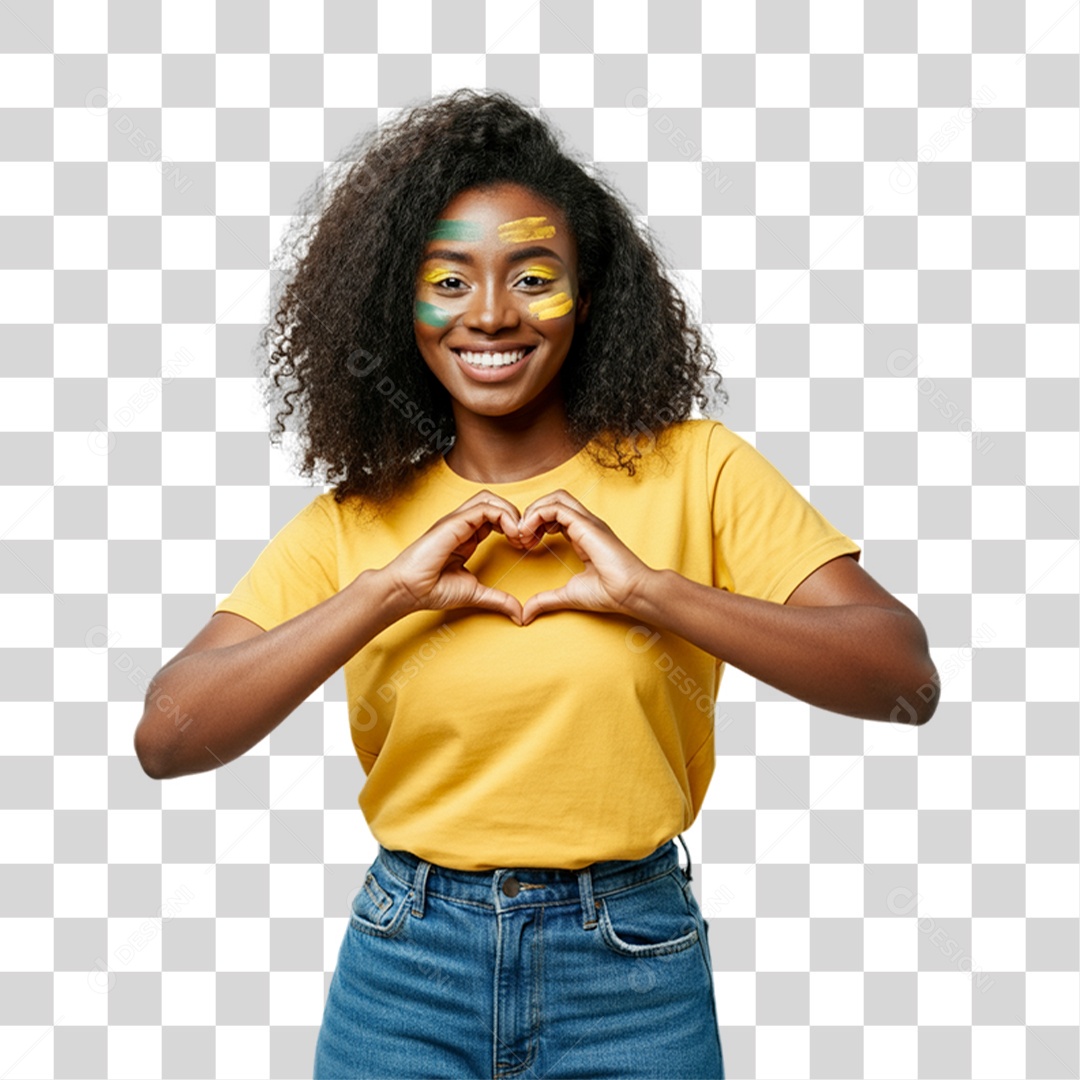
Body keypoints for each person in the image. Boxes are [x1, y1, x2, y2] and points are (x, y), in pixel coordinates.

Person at [135, 88, 939, 1079]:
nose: (489, 314)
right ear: (403, 301)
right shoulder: (357, 520)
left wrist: (653, 594)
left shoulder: (701, 470)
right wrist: (386, 595)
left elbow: (903, 676)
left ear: (588, 294)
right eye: (449, 279)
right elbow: (166, 738)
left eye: (532, 275)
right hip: (406, 972)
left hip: (632, 968)